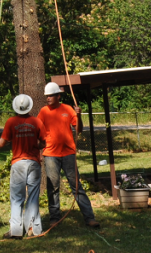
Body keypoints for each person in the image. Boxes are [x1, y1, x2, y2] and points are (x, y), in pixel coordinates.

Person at [0, 93, 45, 239]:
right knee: (33, 196)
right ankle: (35, 229)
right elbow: (44, 142)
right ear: (29, 107)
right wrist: (34, 146)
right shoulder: (36, 122)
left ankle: (16, 231)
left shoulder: (11, 122)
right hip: (33, 163)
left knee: (17, 198)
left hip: (18, 163)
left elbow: (2, 143)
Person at [37, 82, 99, 228]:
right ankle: (54, 219)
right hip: (50, 154)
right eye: (47, 96)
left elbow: (79, 129)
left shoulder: (68, 109)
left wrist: (79, 115)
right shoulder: (43, 112)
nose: (48, 98)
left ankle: (89, 218)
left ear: (58, 96)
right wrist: (39, 151)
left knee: (76, 186)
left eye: (51, 95)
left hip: (68, 154)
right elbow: (38, 133)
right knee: (53, 187)